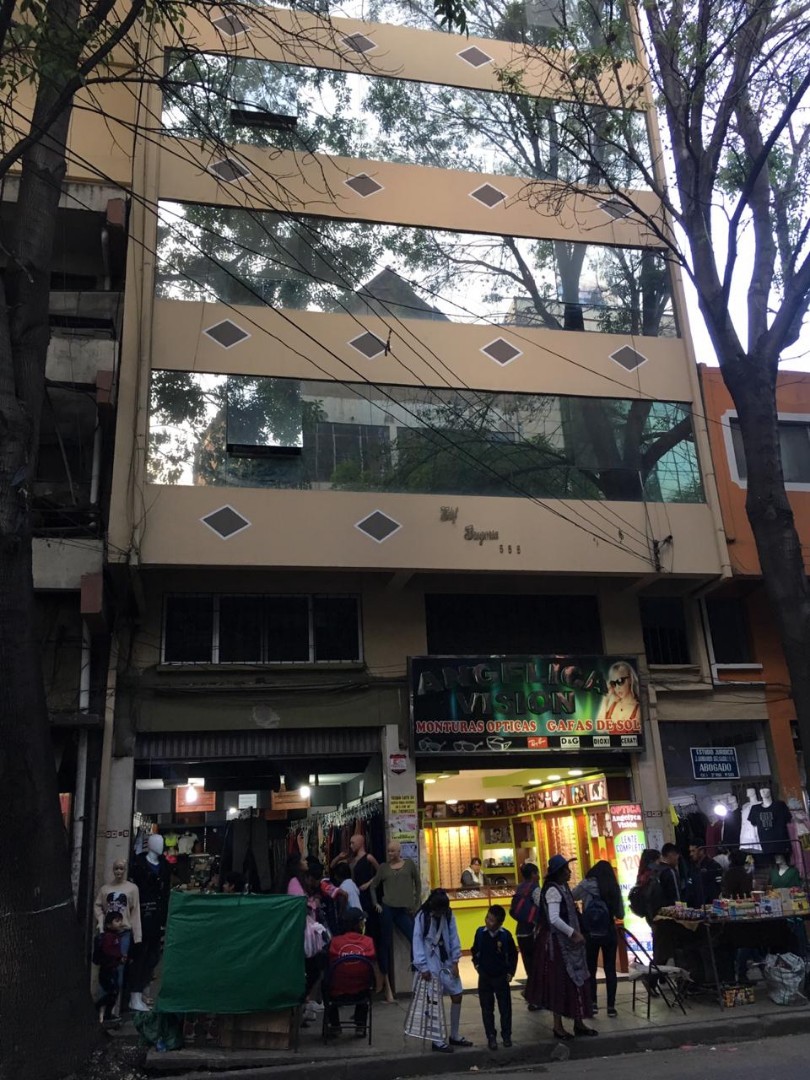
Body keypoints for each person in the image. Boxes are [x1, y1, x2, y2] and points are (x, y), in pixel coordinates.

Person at [526, 854, 596, 1040]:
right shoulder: (552, 891)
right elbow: (554, 918)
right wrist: (573, 933)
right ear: (559, 872)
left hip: (569, 944)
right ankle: (558, 1026)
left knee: (575, 982)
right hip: (557, 945)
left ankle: (578, 1022)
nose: (569, 872)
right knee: (559, 983)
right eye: (566, 869)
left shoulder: (562, 888)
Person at [412, 889, 473, 1053]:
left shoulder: (448, 914)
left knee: (457, 994)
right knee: (434, 1001)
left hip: (446, 958)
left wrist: (455, 961)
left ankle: (454, 1035)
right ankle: (437, 1040)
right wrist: (422, 967)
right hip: (429, 959)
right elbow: (417, 941)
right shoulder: (422, 917)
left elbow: (454, 936)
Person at [363, 839, 421, 1002]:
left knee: (414, 939)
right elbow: (373, 886)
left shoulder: (409, 865)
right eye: (388, 851)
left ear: (399, 851)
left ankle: (417, 979)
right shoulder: (383, 868)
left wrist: (416, 904)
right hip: (388, 908)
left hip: (404, 909)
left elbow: (418, 882)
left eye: (393, 851)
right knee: (385, 944)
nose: (390, 854)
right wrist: (376, 904)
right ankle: (387, 987)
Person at [572, 860, 623, 1018]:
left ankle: (593, 1003)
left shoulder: (586, 885)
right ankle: (611, 1007)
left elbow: (571, 896)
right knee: (610, 970)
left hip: (590, 933)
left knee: (591, 969)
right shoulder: (612, 886)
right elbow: (621, 914)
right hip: (608, 932)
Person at [325, 908, 380, 1038]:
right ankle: (360, 1025)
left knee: (325, 984)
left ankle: (335, 1025)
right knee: (367, 983)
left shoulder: (335, 942)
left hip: (336, 993)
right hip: (361, 992)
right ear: (358, 924)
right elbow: (373, 962)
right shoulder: (368, 942)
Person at [472, 904, 518, 1050]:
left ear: (500, 923)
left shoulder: (505, 936)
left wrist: (511, 972)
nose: (488, 922)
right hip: (485, 976)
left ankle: (506, 1035)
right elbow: (475, 950)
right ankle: (491, 1036)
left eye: (492, 920)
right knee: (486, 1008)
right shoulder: (480, 933)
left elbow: (513, 955)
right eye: (487, 918)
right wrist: (477, 965)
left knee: (505, 1008)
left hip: (501, 976)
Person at [510, 862, 540, 1009]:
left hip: (520, 931)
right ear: (533, 874)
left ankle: (532, 996)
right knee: (537, 964)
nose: (539, 876)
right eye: (537, 873)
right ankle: (533, 996)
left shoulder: (520, 887)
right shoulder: (535, 889)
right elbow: (542, 907)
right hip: (533, 931)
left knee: (529, 965)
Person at [94, 910, 127, 1024]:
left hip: (113, 968)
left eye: (120, 921)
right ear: (109, 924)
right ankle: (97, 1008)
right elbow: (108, 952)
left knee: (114, 992)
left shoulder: (115, 936)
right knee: (112, 992)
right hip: (107, 970)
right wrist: (118, 958)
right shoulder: (109, 937)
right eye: (117, 921)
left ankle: (108, 1014)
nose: (120, 923)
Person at [597, 661, 641, 729]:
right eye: (613, 683)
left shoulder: (638, 709)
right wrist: (606, 698)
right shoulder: (612, 705)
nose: (617, 687)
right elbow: (600, 729)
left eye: (620, 681)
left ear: (630, 680)